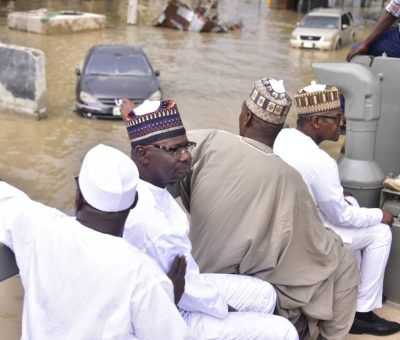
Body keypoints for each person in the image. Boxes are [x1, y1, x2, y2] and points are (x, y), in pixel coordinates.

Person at [177, 78, 360, 339]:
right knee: (343, 262)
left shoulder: (208, 142)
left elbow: (165, 161)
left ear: (246, 116)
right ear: (280, 126)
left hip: (197, 277)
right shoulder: (291, 179)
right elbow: (315, 245)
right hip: (240, 288)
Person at [120, 98, 299, 340]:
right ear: (143, 154)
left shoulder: (149, 189)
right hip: (166, 317)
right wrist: (227, 311)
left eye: (187, 146)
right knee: (283, 331)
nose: (185, 157)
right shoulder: (153, 221)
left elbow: (188, 282)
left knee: (265, 294)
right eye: (174, 149)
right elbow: (188, 294)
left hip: (179, 290)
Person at [0, 144, 192, 340]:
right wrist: (169, 302)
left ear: (79, 195)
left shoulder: (40, 229)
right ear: (134, 201)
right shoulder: (143, 274)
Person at [273, 81, 399, 336]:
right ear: (317, 121)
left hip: (284, 226)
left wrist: (340, 196)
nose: (341, 124)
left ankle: (355, 290)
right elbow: (341, 216)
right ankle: (360, 312)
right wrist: (380, 215)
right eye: (336, 118)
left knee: (351, 205)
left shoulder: (283, 137)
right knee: (379, 233)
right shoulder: (321, 162)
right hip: (309, 237)